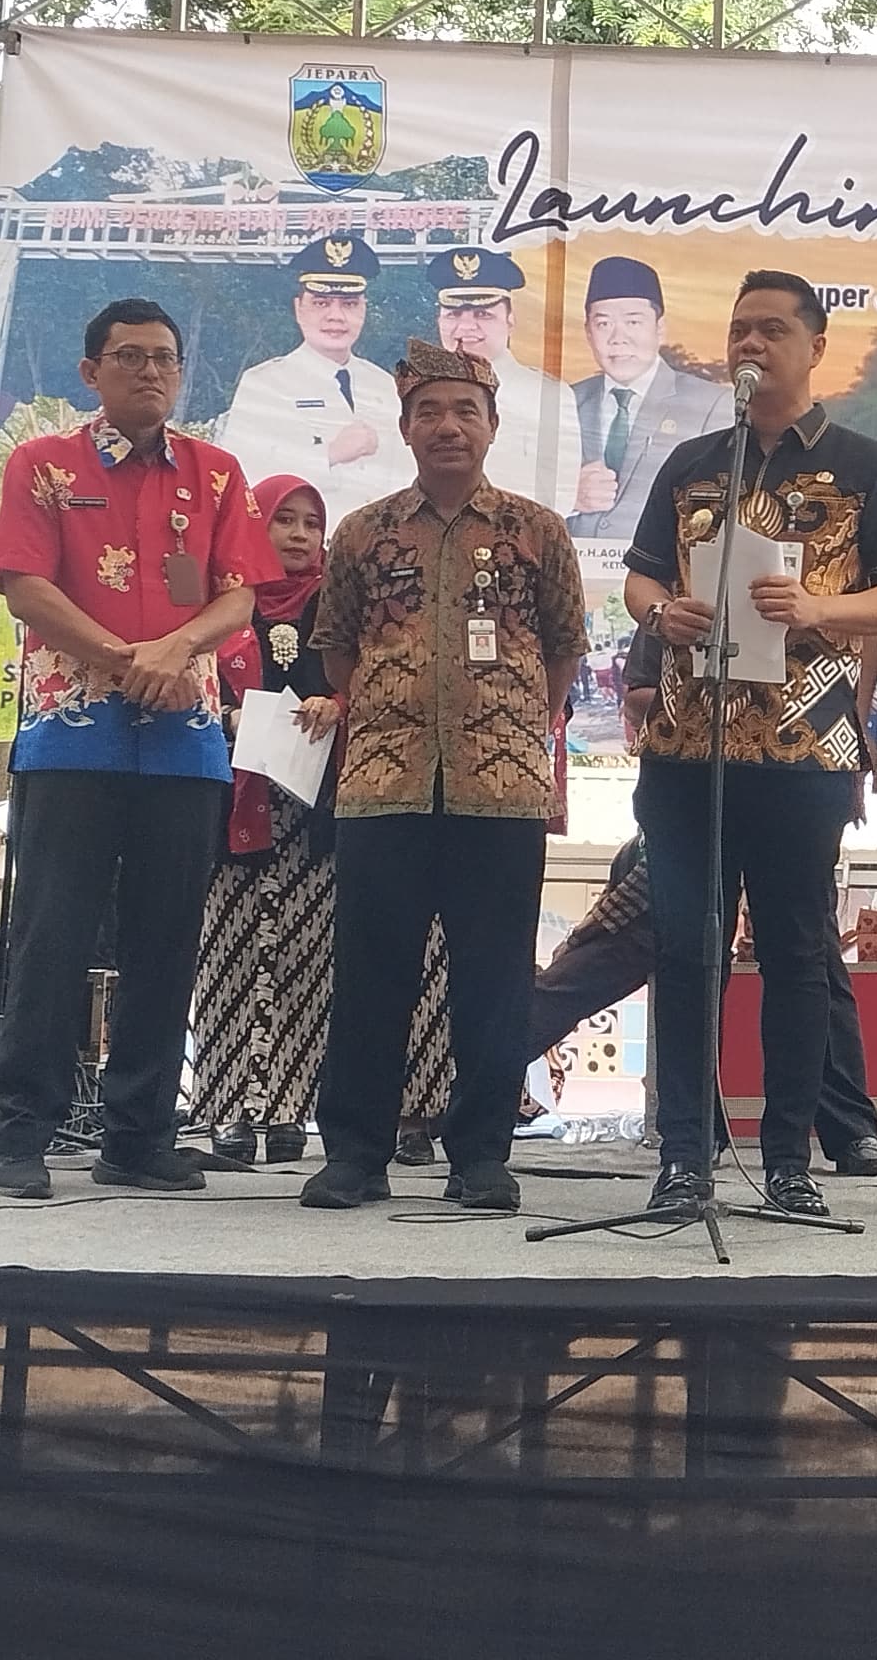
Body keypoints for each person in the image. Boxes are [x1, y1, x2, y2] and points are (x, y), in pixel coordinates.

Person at [625, 272, 877, 1218]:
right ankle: (685, 1156)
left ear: (815, 347)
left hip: (804, 749)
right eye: (738, 331)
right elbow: (641, 580)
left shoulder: (865, 466)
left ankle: (789, 1160)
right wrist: (663, 614)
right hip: (688, 749)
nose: (749, 347)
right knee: (688, 952)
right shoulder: (692, 462)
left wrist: (818, 607)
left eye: (770, 331)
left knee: (798, 954)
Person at [0, 298, 268, 1200]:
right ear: (91, 371)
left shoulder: (218, 475)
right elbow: (23, 586)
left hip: (184, 739)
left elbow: (239, 596)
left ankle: (139, 1136)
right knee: (51, 936)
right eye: (130, 356)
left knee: (165, 940)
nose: (150, 372)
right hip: (72, 734)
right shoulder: (44, 464)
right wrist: (126, 659)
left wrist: (175, 650)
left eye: (164, 359)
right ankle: (21, 1132)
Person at [294, 343, 584, 1212]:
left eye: (465, 411)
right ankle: (355, 1154)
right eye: (430, 412)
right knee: (370, 975)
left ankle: (481, 1156)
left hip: (502, 791)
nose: (447, 426)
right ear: (405, 426)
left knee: (494, 979)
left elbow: (562, 653)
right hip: (383, 785)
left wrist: (505, 725)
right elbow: (337, 653)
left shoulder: (538, 531)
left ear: (492, 425)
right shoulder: (362, 533)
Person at [505, 626, 877, 1164]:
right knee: (646, 959)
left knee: (810, 959)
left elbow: (841, 698)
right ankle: (691, 1133)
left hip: (793, 790)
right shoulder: (679, 597)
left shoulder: (815, 598)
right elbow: (638, 694)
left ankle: (845, 1129)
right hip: (693, 798)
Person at [193, 475, 338, 1168]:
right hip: (234, 802)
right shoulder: (225, 601)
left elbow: (359, 680)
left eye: (312, 522)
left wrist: (336, 705)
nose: (300, 535)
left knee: (307, 961)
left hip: (312, 806)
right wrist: (227, 717)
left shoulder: (338, 604)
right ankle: (228, 1109)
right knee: (228, 954)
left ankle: (287, 1110)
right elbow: (195, 679)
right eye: (285, 520)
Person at [217, 234, 406, 526]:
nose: (335, 316)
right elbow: (242, 478)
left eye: (349, 304)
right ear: (299, 309)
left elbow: (406, 475)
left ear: (364, 309)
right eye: (321, 303)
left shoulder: (385, 385)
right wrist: (330, 454)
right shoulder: (265, 384)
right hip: (300, 544)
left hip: (379, 542)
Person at [570, 255, 732, 542]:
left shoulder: (711, 405)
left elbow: (725, 506)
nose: (618, 338)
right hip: (571, 566)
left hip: (662, 568)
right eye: (603, 324)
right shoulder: (566, 401)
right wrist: (565, 495)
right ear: (588, 332)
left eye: (633, 322)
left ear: (660, 328)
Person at [426, 243, 586, 513]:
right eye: (454, 314)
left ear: (510, 320)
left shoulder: (546, 395)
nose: (466, 327)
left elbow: (559, 495)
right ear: (439, 320)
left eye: (483, 314)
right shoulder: (415, 394)